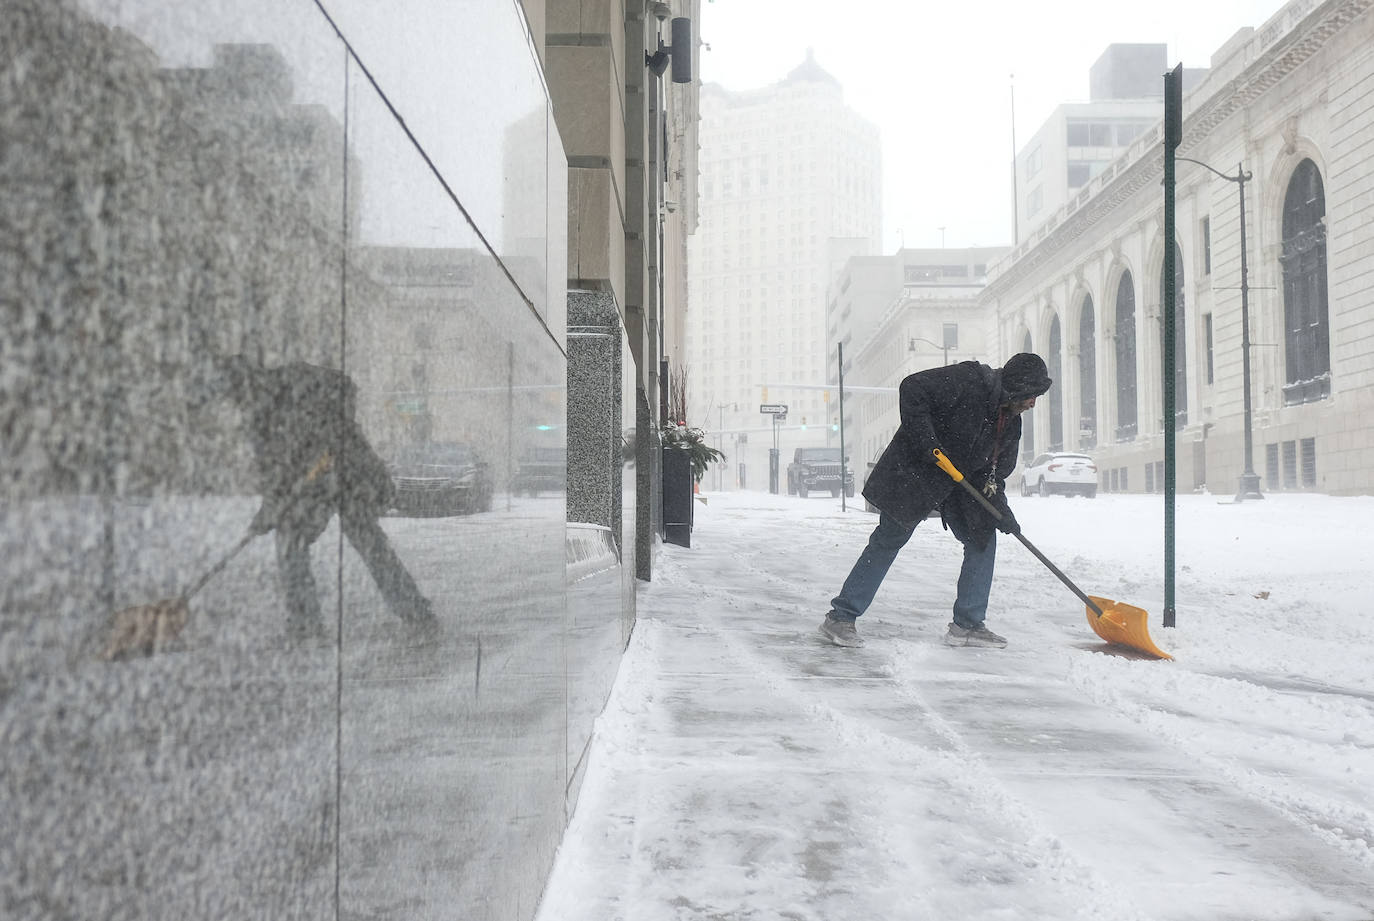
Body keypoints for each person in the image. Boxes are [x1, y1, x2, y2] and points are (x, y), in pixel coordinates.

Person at [818, 353, 1053, 650]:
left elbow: (993, 477)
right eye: (1032, 393)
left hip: (958, 484)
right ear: (1017, 385)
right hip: (916, 472)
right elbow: (912, 387)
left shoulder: (1010, 424)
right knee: (889, 538)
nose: (1033, 402)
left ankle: (967, 624)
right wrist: (926, 442)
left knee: (983, 538)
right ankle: (841, 617)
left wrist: (1002, 513)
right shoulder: (969, 381)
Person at [209, 355, 438, 640]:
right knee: (350, 542)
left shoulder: (280, 397)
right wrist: (268, 511)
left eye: (231, 396)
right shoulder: (271, 402)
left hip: (345, 472)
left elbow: (295, 460)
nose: (233, 404)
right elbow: (277, 473)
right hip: (334, 474)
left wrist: (278, 501)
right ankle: (411, 611)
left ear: (241, 386)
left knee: (317, 541)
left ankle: (310, 624)